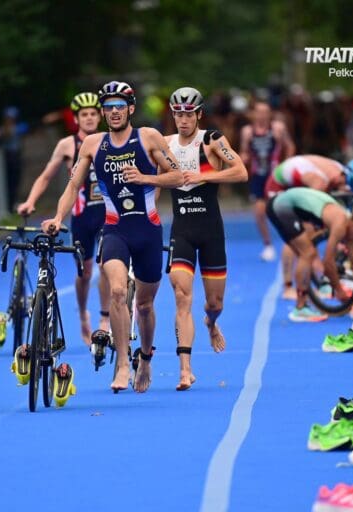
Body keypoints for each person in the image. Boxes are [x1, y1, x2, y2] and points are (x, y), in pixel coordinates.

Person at [42, 80, 183, 393]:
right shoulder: (92, 144)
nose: (114, 112)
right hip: (115, 228)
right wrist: (57, 217)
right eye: (109, 107)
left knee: (144, 306)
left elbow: (177, 177)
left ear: (131, 109)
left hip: (147, 229)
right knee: (117, 291)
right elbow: (72, 186)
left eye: (120, 106)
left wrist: (145, 177)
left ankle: (145, 358)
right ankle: (122, 361)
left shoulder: (148, 137)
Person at [164, 87, 247, 391]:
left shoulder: (211, 139)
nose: (182, 120)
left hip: (211, 231)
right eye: (177, 114)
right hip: (182, 231)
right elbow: (156, 181)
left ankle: (211, 323)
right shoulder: (164, 144)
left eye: (188, 114)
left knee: (214, 302)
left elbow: (240, 171)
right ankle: (185, 369)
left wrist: (204, 176)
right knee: (181, 295)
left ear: (198, 114)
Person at [17, 92, 110, 345]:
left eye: (93, 113)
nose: (90, 118)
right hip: (81, 217)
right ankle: (82, 314)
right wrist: (31, 201)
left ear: (100, 116)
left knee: (106, 267)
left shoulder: (108, 140)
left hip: (107, 214)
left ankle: (104, 318)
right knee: (85, 273)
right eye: (84, 115)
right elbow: (46, 176)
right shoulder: (67, 145)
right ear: (77, 119)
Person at [266, 187, 353, 322]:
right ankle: (300, 308)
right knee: (308, 253)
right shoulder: (340, 224)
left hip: (287, 206)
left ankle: (302, 304)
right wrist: (338, 290)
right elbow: (328, 262)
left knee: (304, 253)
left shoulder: (349, 226)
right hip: (281, 206)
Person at [264, 154, 353, 299]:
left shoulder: (338, 170)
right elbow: (312, 210)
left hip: (295, 189)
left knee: (308, 243)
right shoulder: (319, 180)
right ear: (344, 176)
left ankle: (315, 283)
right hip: (278, 188)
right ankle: (289, 287)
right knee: (302, 240)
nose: (343, 189)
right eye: (343, 185)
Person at [239, 100, 295, 261]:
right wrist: (242, 160)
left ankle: (292, 240)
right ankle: (268, 245)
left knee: (281, 211)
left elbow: (290, 146)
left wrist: (285, 165)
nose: (262, 115)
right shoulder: (247, 131)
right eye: (259, 111)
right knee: (259, 212)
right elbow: (244, 152)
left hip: (275, 176)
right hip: (258, 176)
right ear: (254, 114)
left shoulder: (277, 128)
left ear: (269, 114)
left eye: (265, 111)